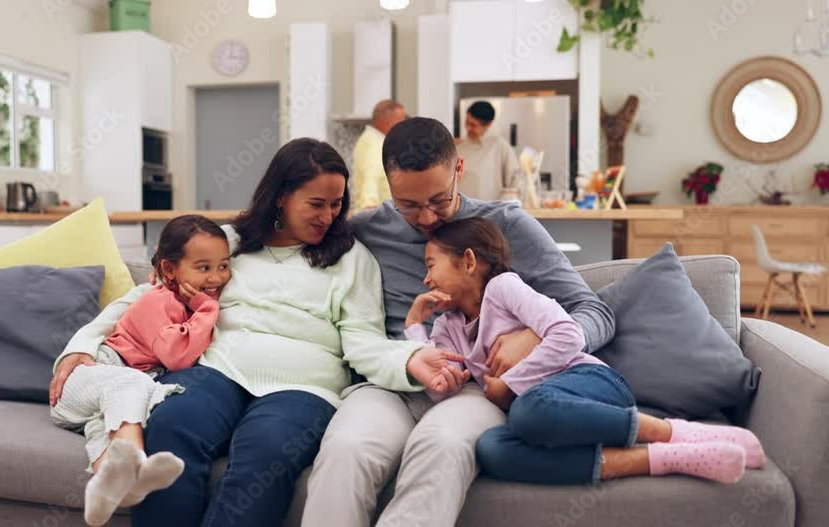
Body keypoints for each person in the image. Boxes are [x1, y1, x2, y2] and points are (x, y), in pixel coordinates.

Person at [61, 138, 463, 527]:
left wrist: (410, 360)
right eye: (316, 204)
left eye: (337, 204)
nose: (327, 216)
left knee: (268, 452)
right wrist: (83, 345)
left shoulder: (351, 258)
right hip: (216, 370)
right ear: (282, 196)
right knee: (171, 424)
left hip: (304, 388)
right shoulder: (227, 243)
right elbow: (146, 297)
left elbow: (364, 342)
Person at [302, 117, 616, 527]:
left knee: (442, 443)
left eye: (439, 199)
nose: (426, 217)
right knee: (346, 447)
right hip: (390, 380)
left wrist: (535, 338)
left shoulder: (506, 226)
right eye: (408, 205)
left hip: (473, 388)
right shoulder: (364, 230)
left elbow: (594, 311)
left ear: (459, 170)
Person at [406, 217, 765, 486]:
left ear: (468, 261)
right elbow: (440, 388)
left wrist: (511, 384)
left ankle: (668, 431)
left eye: (431, 265)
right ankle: (666, 457)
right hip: (543, 412)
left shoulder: (503, 288)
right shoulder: (446, 326)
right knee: (493, 449)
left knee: (528, 411)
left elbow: (568, 334)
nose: (426, 279)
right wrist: (414, 326)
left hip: (588, 380)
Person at [49, 215, 231, 526]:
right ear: (169, 269)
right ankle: (138, 465)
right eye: (203, 268)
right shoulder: (156, 300)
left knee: (125, 412)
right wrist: (208, 308)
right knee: (135, 384)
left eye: (223, 266)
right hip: (89, 376)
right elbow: (177, 357)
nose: (216, 277)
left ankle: (111, 488)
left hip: (106, 399)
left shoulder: (190, 302)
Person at [456, 101, 520, 201]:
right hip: (460, 208)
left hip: (489, 209)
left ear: (488, 125)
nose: (468, 128)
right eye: (467, 122)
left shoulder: (500, 146)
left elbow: (515, 180)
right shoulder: (459, 147)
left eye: (473, 125)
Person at [351, 99, 407, 210]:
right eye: (401, 122)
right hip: (377, 214)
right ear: (387, 122)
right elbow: (370, 178)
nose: (404, 127)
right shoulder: (374, 145)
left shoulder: (375, 140)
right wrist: (370, 206)